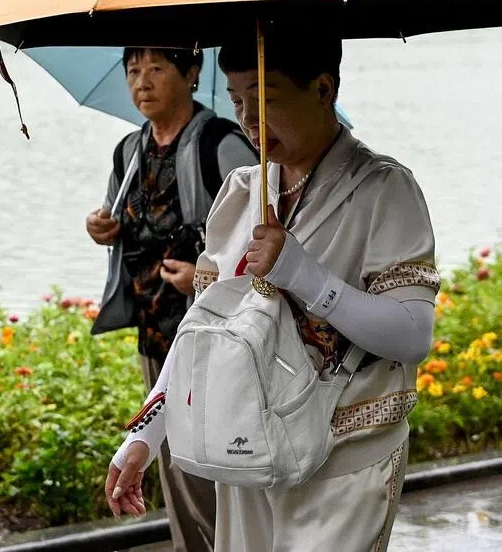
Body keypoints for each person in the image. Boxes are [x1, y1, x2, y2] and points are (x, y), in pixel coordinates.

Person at [105, 28, 438, 552]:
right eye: (238, 100)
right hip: (244, 455)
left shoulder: (382, 189)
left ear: (324, 89)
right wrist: (145, 435)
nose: (249, 122)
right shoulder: (241, 192)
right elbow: (204, 334)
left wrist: (308, 277)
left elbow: (413, 335)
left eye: (266, 100)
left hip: (345, 463)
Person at [86, 47, 255, 552]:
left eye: (157, 69)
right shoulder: (130, 150)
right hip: (158, 335)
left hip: (217, 340)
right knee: (174, 468)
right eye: (134, 71)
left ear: (192, 73)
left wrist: (205, 278)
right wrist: (103, 228)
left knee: (221, 468)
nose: (142, 83)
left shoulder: (222, 145)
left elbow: (267, 237)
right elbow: (127, 225)